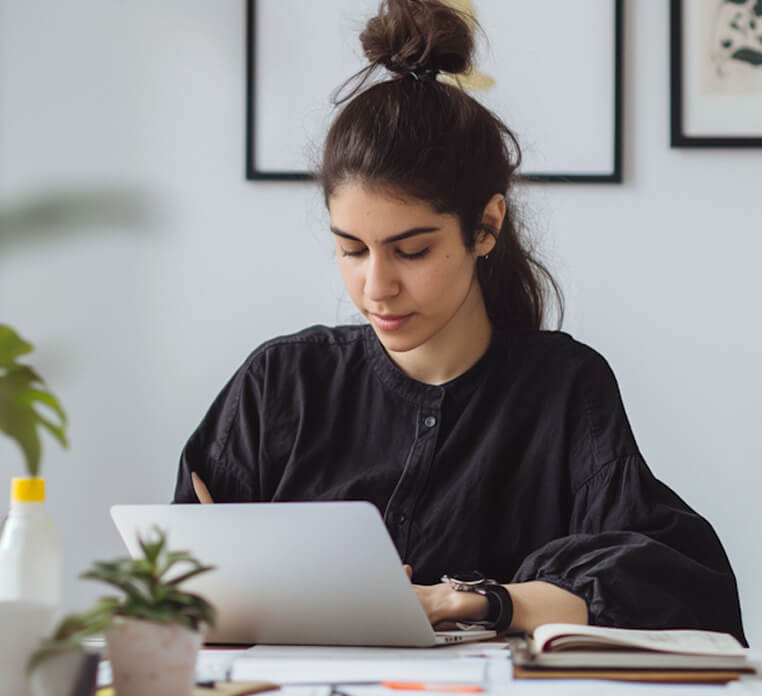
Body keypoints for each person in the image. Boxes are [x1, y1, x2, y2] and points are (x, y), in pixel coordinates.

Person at [174, 0, 747, 644]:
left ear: (486, 228)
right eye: (351, 249)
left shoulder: (562, 387)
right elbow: (171, 590)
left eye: (412, 251)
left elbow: (681, 589)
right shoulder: (280, 383)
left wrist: (471, 602)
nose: (376, 286)